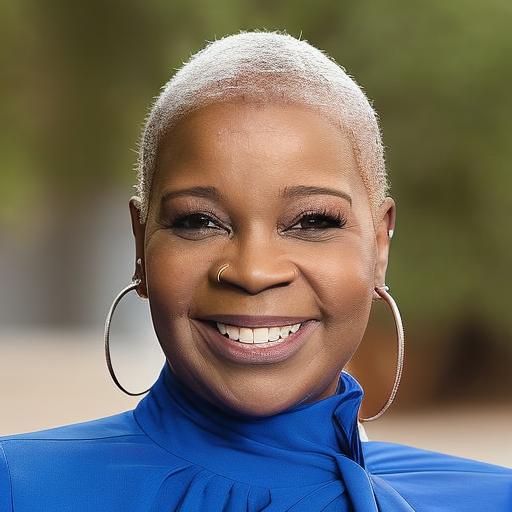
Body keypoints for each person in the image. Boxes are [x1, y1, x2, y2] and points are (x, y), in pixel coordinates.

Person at [1, 30, 510, 511]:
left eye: (312, 221)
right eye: (199, 221)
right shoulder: (19, 486)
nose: (253, 271)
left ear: (379, 244)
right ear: (141, 242)